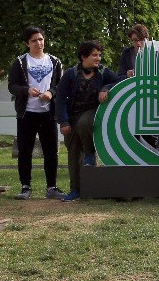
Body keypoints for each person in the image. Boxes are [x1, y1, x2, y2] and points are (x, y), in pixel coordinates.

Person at [55, 40, 119, 201]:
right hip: (72, 118)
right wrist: (63, 121)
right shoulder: (71, 74)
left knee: (84, 123)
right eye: (94, 55)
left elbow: (119, 80)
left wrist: (106, 88)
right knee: (74, 154)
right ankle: (76, 190)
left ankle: (90, 153)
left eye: (99, 55)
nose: (98, 58)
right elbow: (61, 98)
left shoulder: (103, 72)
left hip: (93, 114)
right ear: (84, 56)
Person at [8, 26, 64, 200]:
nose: (38, 43)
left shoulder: (55, 62)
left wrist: (51, 93)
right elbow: (12, 86)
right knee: (25, 151)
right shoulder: (20, 62)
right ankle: (25, 187)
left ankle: (51, 187)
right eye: (34, 40)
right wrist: (26, 90)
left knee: (51, 151)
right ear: (27, 43)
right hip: (27, 113)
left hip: (48, 113)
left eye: (40, 39)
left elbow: (60, 85)